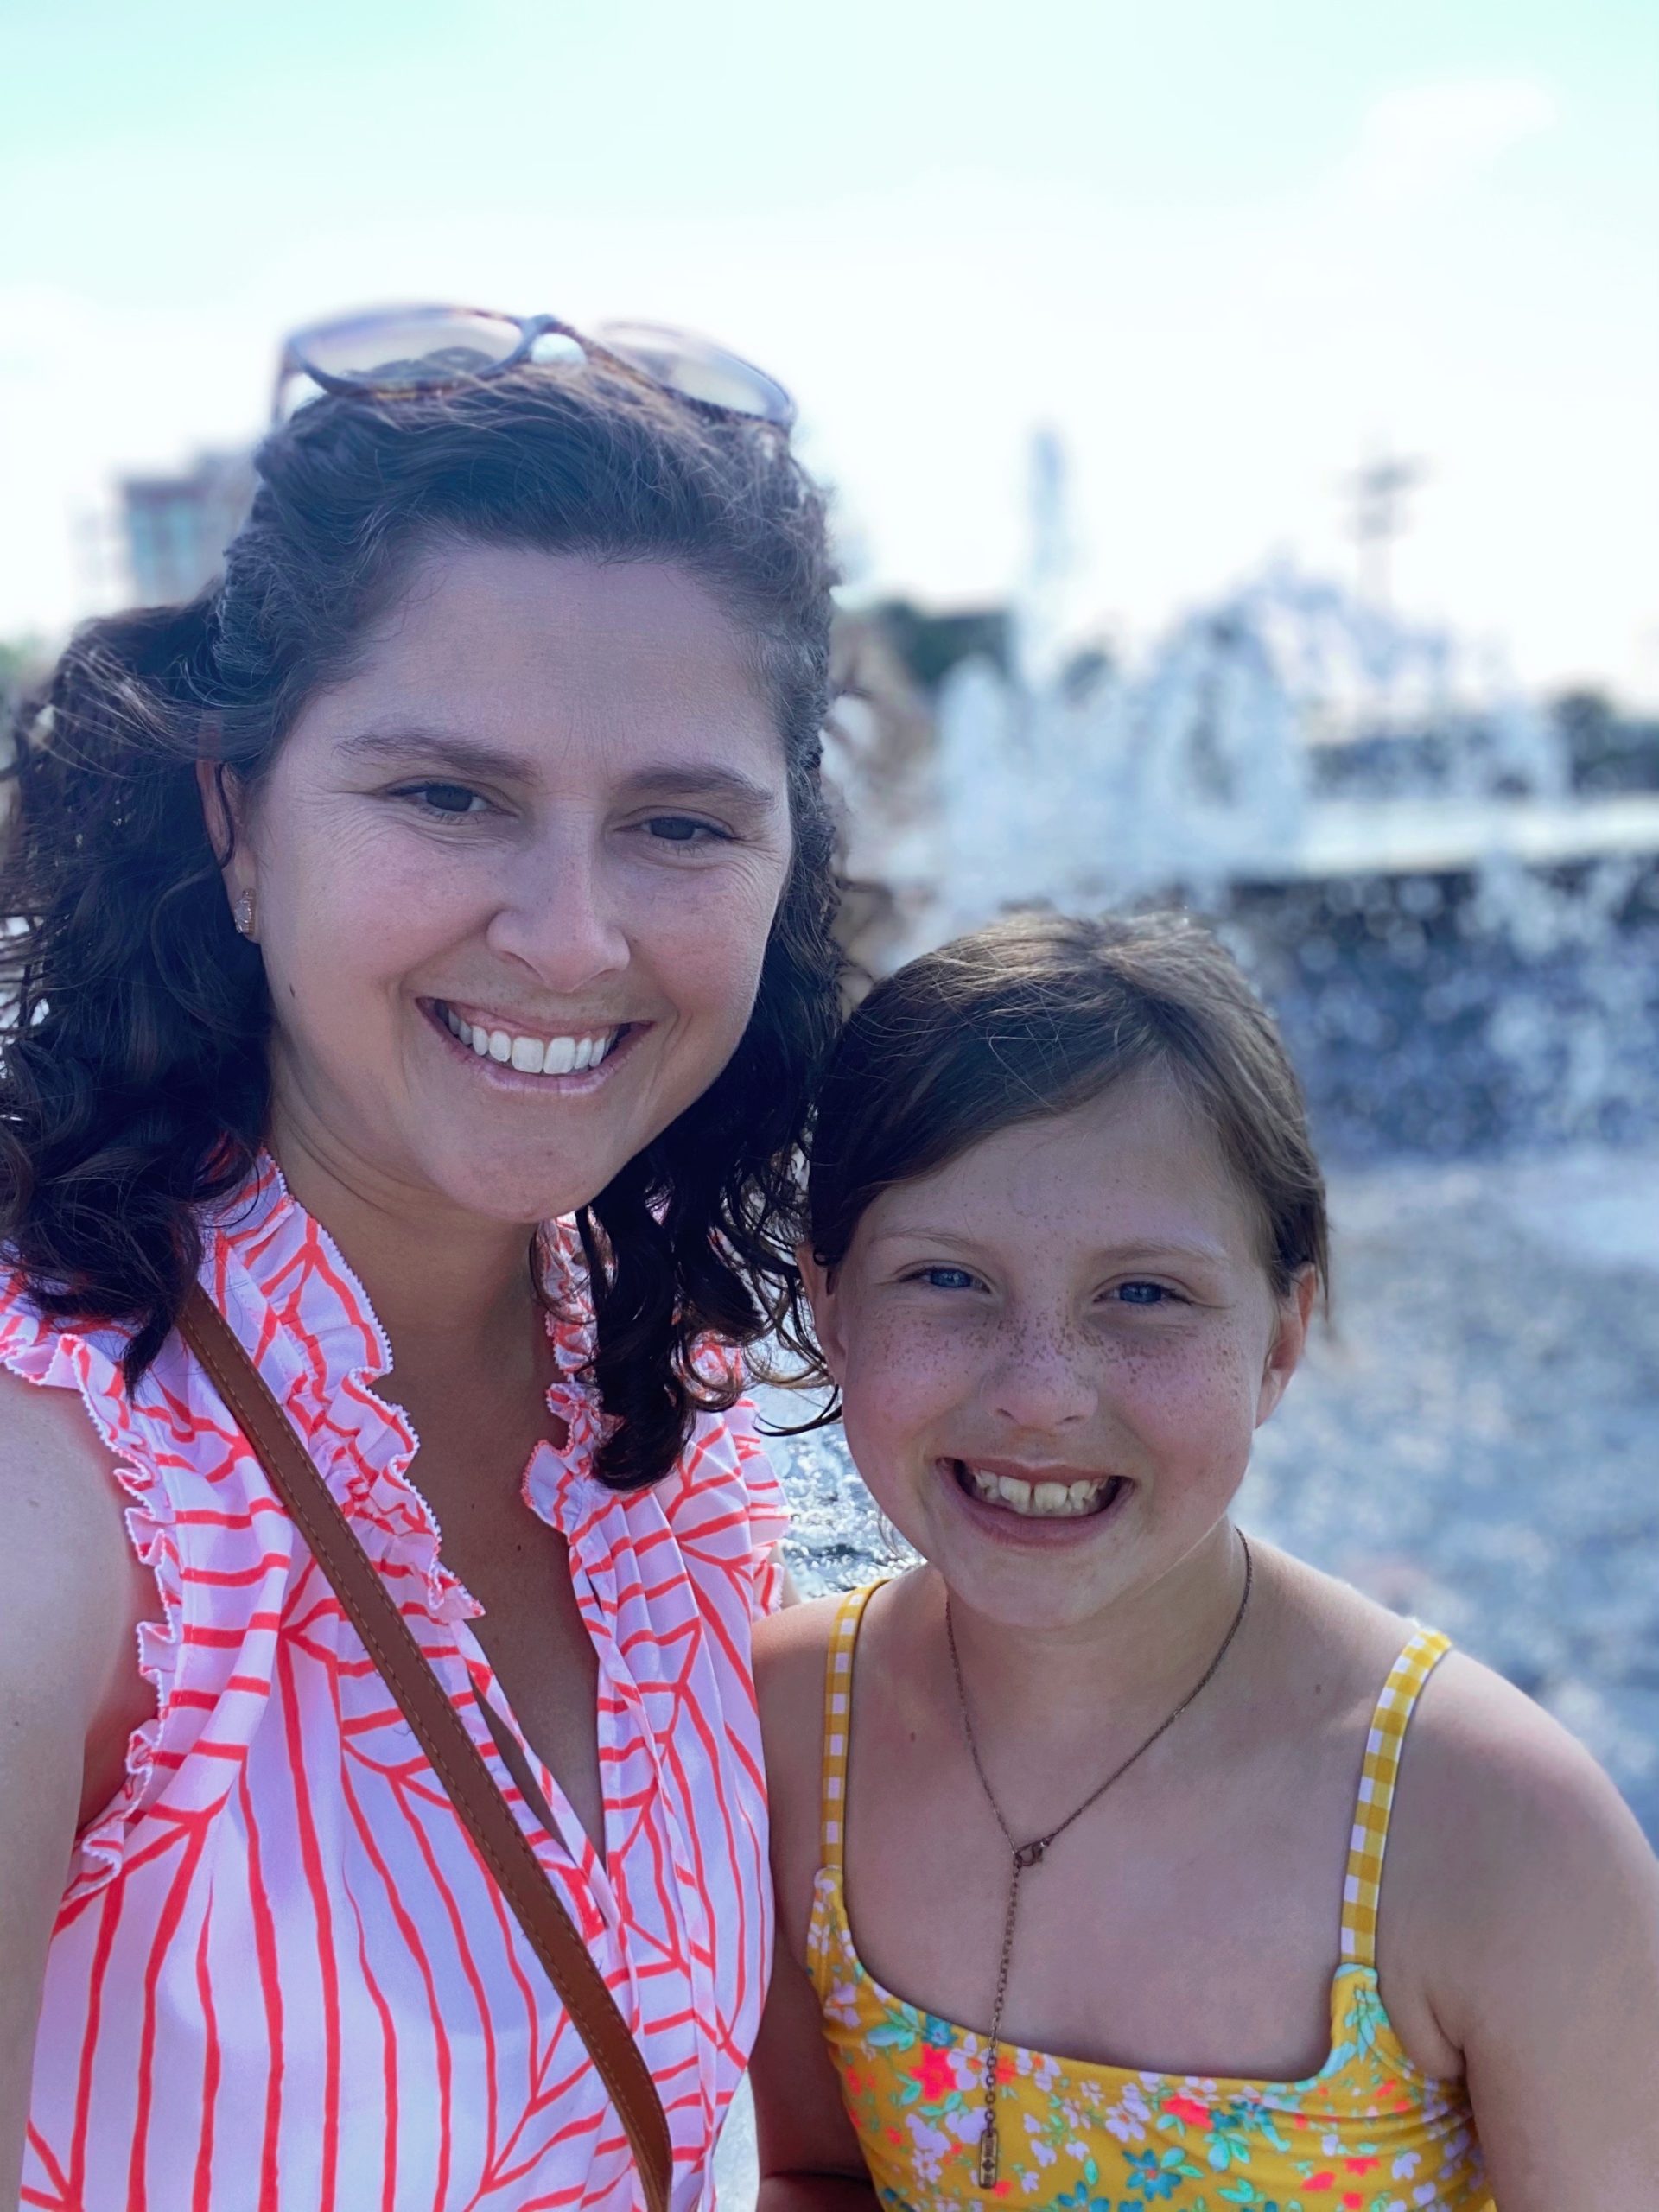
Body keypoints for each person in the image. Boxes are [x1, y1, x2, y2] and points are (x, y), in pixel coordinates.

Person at [0, 309, 842, 2209]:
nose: (570, 936)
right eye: (447, 796)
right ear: (236, 824)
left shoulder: (662, 1404)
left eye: (680, 822)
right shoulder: (58, 1479)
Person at [750, 911, 1659, 2211]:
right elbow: (818, 2174)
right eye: (947, 1278)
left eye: (1145, 1295)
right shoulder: (785, 1734)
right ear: (829, 1303)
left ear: (1282, 1339)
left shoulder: (1493, 1833)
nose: (1041, 1394)